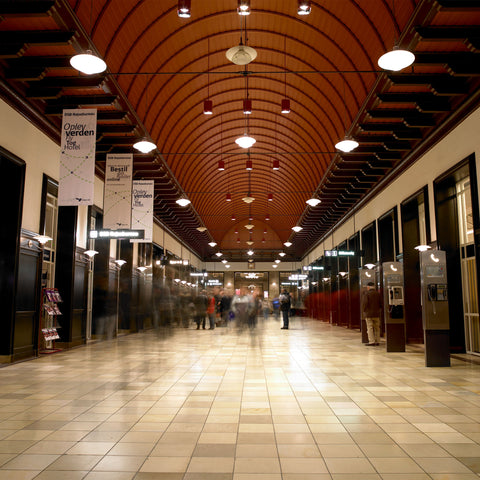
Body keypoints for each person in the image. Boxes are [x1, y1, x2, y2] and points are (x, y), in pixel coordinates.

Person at [361, 281, 382, 346]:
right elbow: (381, 304)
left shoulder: (367, 294)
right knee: (377, 328)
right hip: (377, 314)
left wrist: (364, 310)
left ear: (368, 287)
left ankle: (372, 341)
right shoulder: (378, 294)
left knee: (370, 328)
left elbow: (365, 303)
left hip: (369, 314)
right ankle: (377, 340)